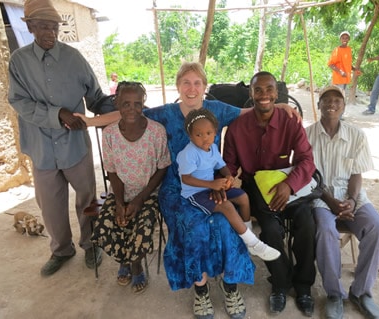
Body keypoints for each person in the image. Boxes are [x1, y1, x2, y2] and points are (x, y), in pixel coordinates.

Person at [79, 62, 299, 319]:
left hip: (210, 185)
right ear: (178, 86)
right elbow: (127, 114)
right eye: (186, 83)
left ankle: (230, 286)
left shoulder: (216, 109)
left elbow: (248, 111)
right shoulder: (166, 113)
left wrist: (280, 105)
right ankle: (201, 290)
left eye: (197, 83)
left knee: (225, 224)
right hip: (176, 188)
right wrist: (90, 121)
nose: (192, 88)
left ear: (205, 87)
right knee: (194, 227)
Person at [7, 0, 106, 276]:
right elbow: (19, 101)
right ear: (29, 27)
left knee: (88, 200)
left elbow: (95, 97)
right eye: (42, 27)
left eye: (54, 26)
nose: (50, 32)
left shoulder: (74, 58)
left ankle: (91, 243)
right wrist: (58, 114)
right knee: (50, 206)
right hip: (41, 148)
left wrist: (120, 109)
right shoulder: (19, 61)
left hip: (76, 146)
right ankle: (61, 249)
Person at [223, 71, 317, 317]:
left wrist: (290, 184)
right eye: (258, 90)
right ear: (251, 93)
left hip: (290, 184)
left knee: (307, 224)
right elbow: (228, 165)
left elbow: (307, 160)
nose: (264, 95)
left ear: (277, 93)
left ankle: (304, 286)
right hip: (257, 189)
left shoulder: (290, 122)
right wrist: (225, 181)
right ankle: (280, 284)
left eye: (269, 89)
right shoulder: (236, 128)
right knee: (271, 231)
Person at [306, 85, 379, 319]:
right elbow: (309, 176)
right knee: (325, 230)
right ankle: (334, 294)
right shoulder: (306, 135)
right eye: (326, 100)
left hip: (352, 196)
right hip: (321, 197)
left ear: (343, 106)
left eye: (337, 100)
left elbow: (356, 173)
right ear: (319, 104)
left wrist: (351, 200)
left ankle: (361, 292)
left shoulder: (356, 135)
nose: (332, 104)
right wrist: (332, 202)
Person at [91, 81, 170, 293]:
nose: (132, 109)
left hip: (148, 193)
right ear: (116, 102)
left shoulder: (156, 131)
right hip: (119, 193)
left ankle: (135, 266)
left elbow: (162, 168)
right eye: (126, 104)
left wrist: (139, 199)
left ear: (144, 103)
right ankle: (123, 260)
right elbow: (112, 171)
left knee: (142, 228)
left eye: (137, 103)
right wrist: (118, 202)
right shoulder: (109, 134)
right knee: (106, 225)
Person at [177, 108, 281, 261]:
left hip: (211, 186)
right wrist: (212, 184)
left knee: (243, 197)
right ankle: (254, 243)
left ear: (215, 133)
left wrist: (228, 176)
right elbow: (186, 179)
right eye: (198, 135)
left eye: (208, 133)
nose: (204, 138)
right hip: (195, 193)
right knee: (227, 206)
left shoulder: (212, 148)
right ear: (190, 136)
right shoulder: (189, 153)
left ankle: (248, 238)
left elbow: (222, 165)